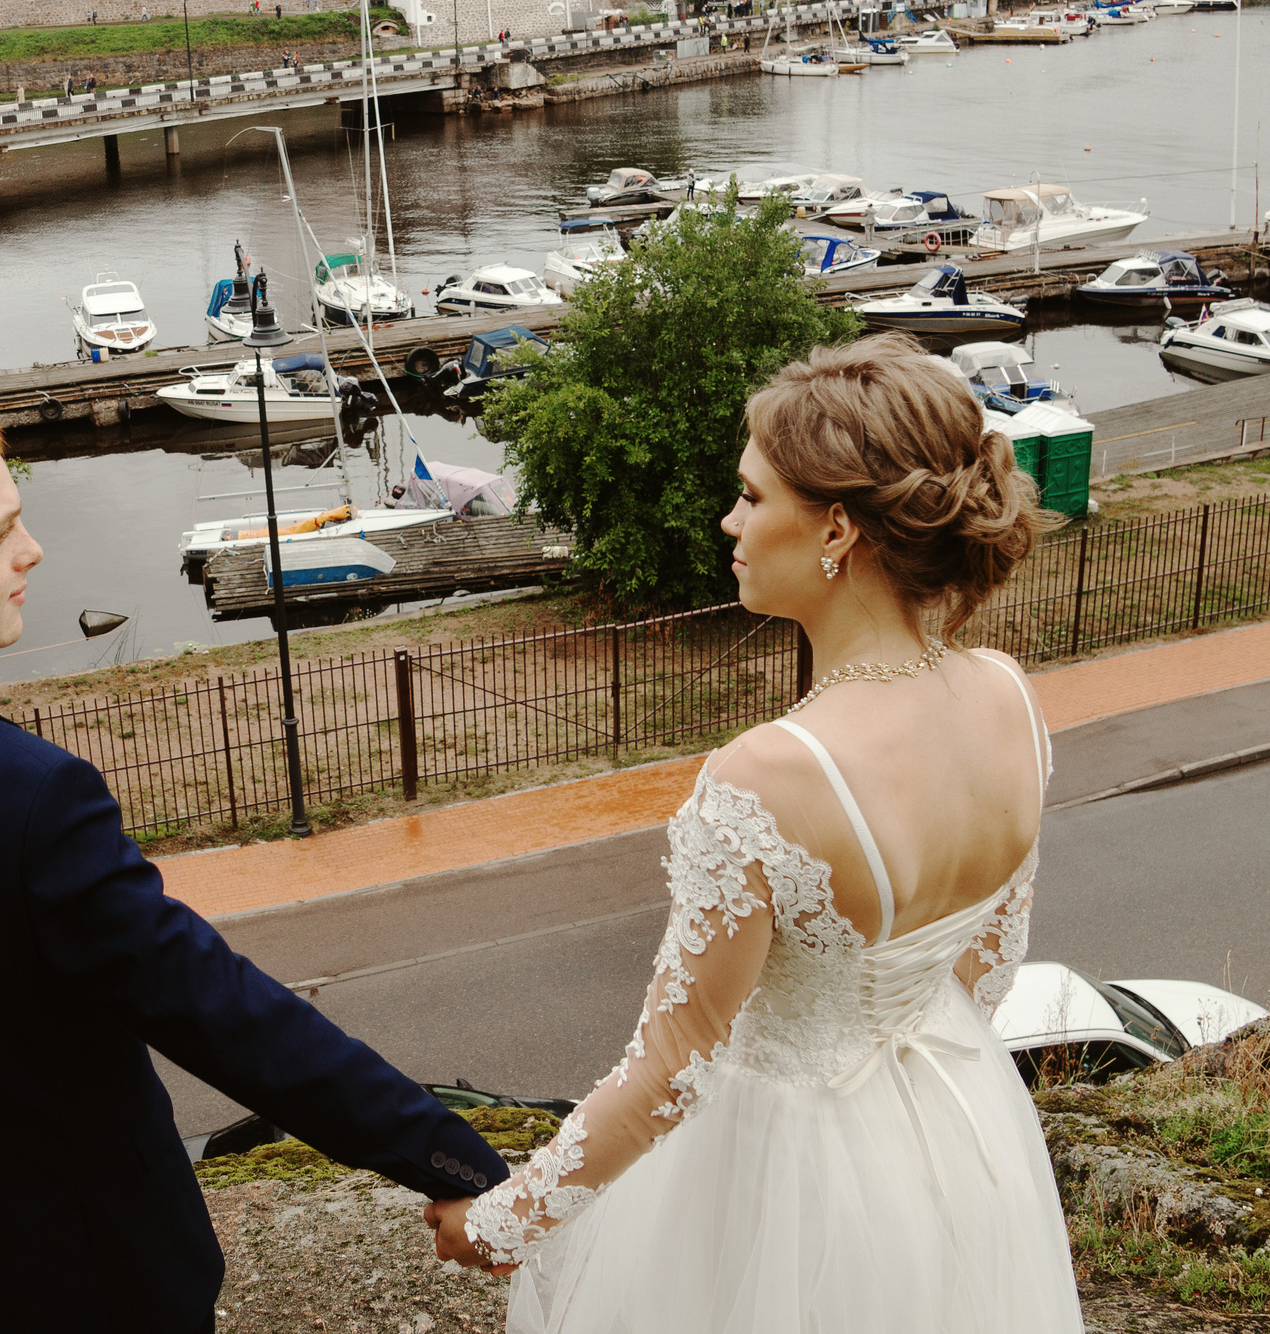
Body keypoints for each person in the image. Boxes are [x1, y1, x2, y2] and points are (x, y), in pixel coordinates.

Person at [0, 390, 504, 1334]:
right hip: (99, 1290)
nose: (31, 550)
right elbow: (220, 1011)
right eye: (1, 532)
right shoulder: (24, 791)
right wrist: (459, 1164)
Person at [434, 333, 1081, 1331]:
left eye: (750, 496)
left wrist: (500, 1223)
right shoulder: (1007, 694)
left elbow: (670, 1064)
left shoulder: (769, 776)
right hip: (958, 1144)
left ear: (837, 528)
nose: (729, 521)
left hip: (786, 1179)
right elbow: (985, 967)